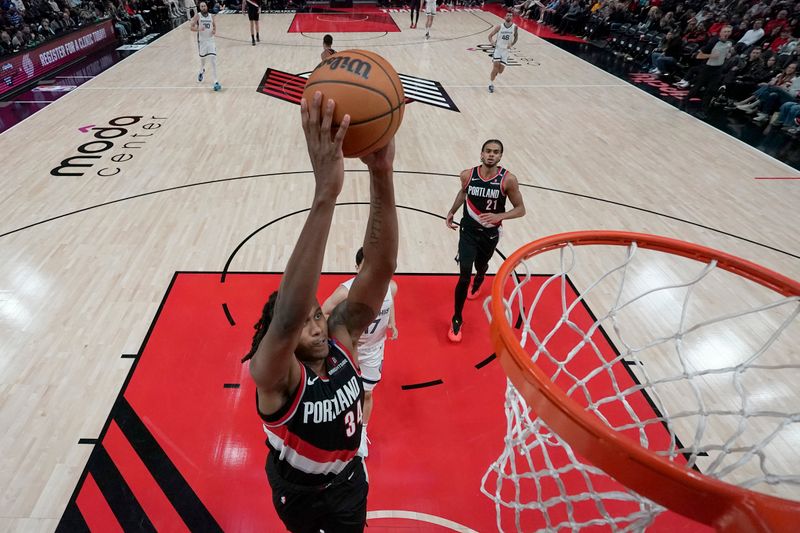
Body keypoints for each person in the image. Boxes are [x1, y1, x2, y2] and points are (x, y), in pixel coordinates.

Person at [241, 92, 397, 533]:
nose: (316, 324)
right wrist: (326, 192)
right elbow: (288, 318)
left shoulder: (341, 343)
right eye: (307, 318)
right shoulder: (274, 377)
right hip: (303, 496)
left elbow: (380, 267)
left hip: (349, 480)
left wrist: (381, 172)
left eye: (318, 315)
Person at [445, 139, 526, 342]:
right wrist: (452, 211)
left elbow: (520, 209)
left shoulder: (508, 180)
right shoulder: (467, 175)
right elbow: (463, 193)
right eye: (488, 151)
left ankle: (480, 277)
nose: (491, 154)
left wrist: (501, 216)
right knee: (464, 275)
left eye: (495, 152)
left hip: (490, 234)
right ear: (481, 154)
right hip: (468, 232)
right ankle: (456, 318)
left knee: (481, 265)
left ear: (500, 156)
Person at [321, 248, 398, 458]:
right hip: (347, 348)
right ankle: (336, 427)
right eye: (366, 267)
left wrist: (393, 323)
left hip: (373, 349)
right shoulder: (346, 292)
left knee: (367, 392)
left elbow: (390, 305)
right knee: (339, 391)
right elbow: (324, 310)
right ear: (357, 268)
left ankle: (361, 432)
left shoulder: (390, 287)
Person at [681, 24, 733, 118]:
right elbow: (699, 56)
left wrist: (727, 55)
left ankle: (703, 111)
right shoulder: (713, 42)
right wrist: (711, 56)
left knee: (711, 90)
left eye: (728, 32)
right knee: (697, 87)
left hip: (718, 69)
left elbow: (726, 53)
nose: (727, 33)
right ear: (720, 33)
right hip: (708, 68)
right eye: (725, 31)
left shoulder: (730, 43)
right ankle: (684, 102)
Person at [191, 1, 221, 91]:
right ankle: (201, 71)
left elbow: (214, 26)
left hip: (211, 41)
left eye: (204, 6)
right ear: (200, 8)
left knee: (213, 60)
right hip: (202, 41)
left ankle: (216, 81)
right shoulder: (198, 16)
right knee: (202, 60)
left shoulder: (211, 16)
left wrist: (214, 31)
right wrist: (198, 29)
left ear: (207, 7)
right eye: (202, 6)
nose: (203, 7)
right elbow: (191, 27)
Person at [487, 11, 518, 93]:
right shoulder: (499, 27)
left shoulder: (515, 27)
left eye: (510, 16)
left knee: (500, 71)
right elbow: (490, 36)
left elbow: (516, 37)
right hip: (498, 49)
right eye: (507, 15)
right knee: (495, 67)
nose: (509, 17)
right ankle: (491, 84)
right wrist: (492, 42)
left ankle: (494, 74)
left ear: (512, 18)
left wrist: (512, 44)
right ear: (505, 17)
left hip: (506, 51)